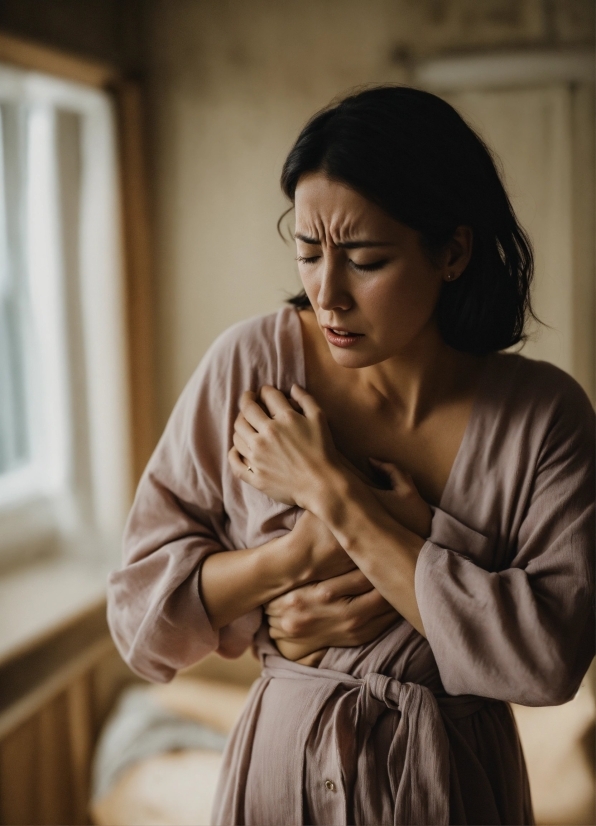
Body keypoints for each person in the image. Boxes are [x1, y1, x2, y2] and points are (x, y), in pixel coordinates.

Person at [107, 86, 595, 826]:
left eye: (365, 260)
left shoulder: (544, 417)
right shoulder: (251, 366)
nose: (327, 294)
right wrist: (292, 560)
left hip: (454, 789)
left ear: (453, 252)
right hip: (279, 777)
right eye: (307, 251)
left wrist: (336, 495)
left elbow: (548, 659)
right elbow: (140, 621)